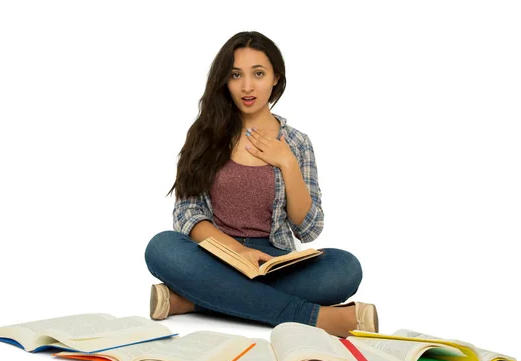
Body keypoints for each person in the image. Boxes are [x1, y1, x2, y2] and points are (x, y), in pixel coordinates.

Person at [144, 31, 378, 338]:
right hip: (216, 257)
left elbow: (308, 228)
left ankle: (195, 300)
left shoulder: (297, 143)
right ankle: (314, 318)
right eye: (236, 75)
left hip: (275, 262)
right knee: (162, 247)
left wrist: (288, 163)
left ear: (275, 79)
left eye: (258, 74)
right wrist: (238, 252)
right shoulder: (204, 133)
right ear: (224, 81)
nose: (247, 86)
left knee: (345, 268)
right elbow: (187, 214)